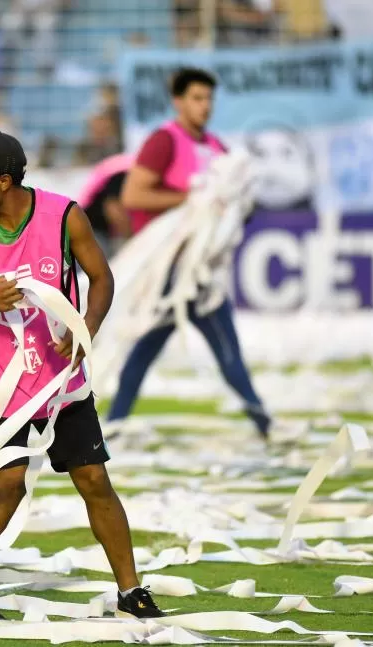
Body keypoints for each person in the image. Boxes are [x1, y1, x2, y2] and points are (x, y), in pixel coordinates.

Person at [0, 129, 165, 621]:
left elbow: (101, 276)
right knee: (8, 486)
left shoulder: (64, 215)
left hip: (61, 381)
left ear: (3, 180)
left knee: (94, 478)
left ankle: (131, 592)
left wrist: (88, 328)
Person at [109, 67, 272, 440]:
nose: (205, 106)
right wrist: (192, 200)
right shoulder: (164, 141)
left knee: (153, 346)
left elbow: (230, 203)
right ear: (178, 101)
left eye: (210, 99)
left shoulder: (219, 149)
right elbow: (133, 196)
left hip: (200, 268)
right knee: (218, 342)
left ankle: (114, 423)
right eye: (197, 98)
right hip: (173, 268)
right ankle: (264, 420)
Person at [76, 152, 135, 257]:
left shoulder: (124, 172)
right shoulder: (123, 175)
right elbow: (113, 209)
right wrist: (133, 238)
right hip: (93, 230)